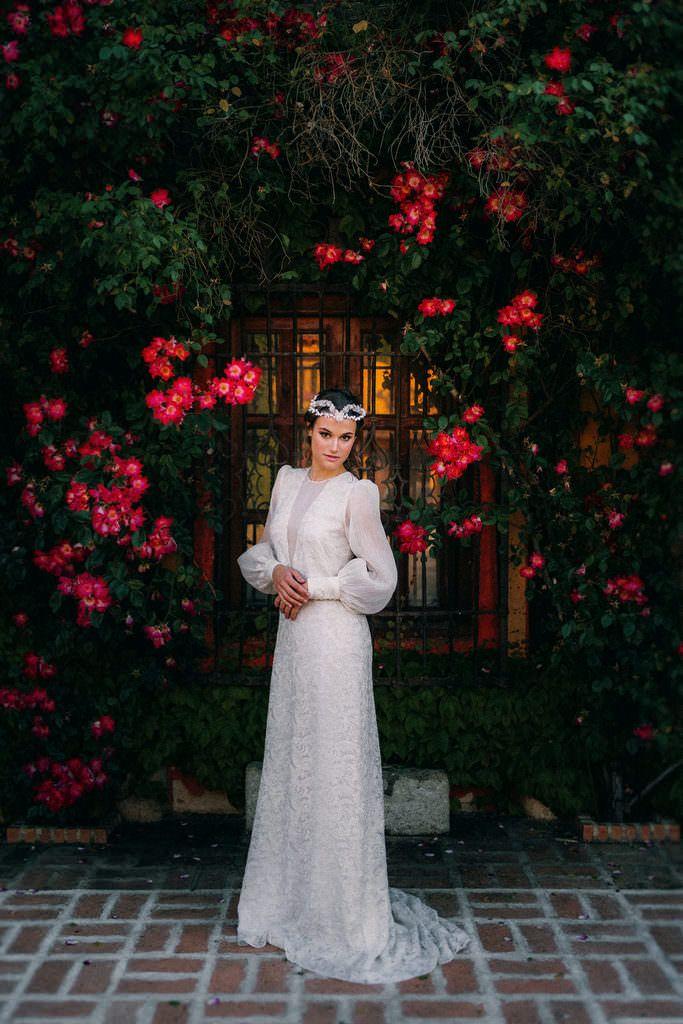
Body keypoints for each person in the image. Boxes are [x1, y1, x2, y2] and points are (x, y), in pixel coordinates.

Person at [235, 386, 470, 983]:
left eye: (346, 437)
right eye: (326, 434)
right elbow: (265, 551)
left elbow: (381, 579)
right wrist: (279, 571)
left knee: (336, 769)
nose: (335, 446)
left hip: (337, 641)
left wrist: (315, 586)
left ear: (355, 440)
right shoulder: (286, 482)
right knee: (297, 765)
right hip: (294, 645)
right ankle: (291, 904)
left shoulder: (358, 495)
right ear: (308, 430)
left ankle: (345, 917)